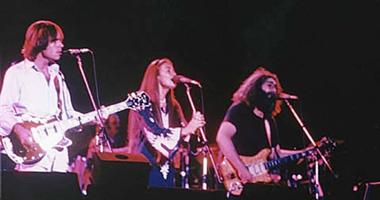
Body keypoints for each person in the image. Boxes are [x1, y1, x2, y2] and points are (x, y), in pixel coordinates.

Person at [0, 20, 95, 172]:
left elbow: (67, 115)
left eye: (61, 41)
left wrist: (91, 118)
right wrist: (19, 130)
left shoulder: (57, 76)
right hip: (30, 152)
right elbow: (3, 109)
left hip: (58, 152)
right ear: (39, 42)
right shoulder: (17, 73)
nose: (61, 45)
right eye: (55, 41)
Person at [216, 67, 310, 199]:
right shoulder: (240, 110)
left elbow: (276, 154)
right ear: (256, 88)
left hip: (259, 185)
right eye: (269, 85)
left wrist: (306, 152)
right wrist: (241, 168)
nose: (274, 89)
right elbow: (222, 137)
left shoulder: (269, 120)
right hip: (238, 177)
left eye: (275, 87)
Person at [127, 57, 206, 188]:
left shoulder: (174, 106)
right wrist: (186, 130)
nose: (174, 74)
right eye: (168, 70)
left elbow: (184, 138)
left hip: (167, 168)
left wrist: (194, 128)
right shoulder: (142, 102)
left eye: (174, 70)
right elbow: (154, 134)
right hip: (145, 166)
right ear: (156, 76)